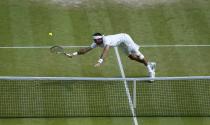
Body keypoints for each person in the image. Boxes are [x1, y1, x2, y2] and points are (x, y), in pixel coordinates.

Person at [66, 33, 156, 79]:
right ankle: (150, 64)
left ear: (100, 39)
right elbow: (86, 50)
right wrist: (73, 54)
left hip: (125, 39)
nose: (94, 42)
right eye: (94, 40)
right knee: (131, 57)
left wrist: (99, 61)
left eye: (95, 40)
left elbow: (106, 51)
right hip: (120, 44)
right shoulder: (96, 43)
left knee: (138, 55)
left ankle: (150, 70)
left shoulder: (106, 40)